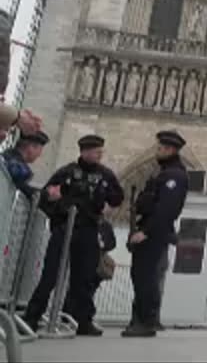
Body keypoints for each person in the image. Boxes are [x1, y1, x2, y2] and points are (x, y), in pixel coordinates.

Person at [24, 134, 124, 337]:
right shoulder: (67, 172)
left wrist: (105, 201)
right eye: (96, 152)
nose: (99, 155)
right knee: (50, 275)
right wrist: (59, 212)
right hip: (65, 228)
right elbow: (46, 197)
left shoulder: (105, 175)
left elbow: (117, 198)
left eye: (100, 152)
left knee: (84, 279)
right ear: (85, 152)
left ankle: (83, 321)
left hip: (88, 230)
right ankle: (31, 318)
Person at [123, 130, 189, 338]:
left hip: (154, 233)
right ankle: (139, 319)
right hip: (151, 230)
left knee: (146, 277)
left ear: (170, 150)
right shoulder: (164, 172)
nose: (157, 152)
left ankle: (146, 321)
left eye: (160, 148)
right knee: (141, 275)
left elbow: (166, 210)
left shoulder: (174, 176)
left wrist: (146, 232)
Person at [3, 128, 47, 196]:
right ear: (31, 147)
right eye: (39, 150)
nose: (39, 155)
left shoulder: (8, 153)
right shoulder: (20, 169)